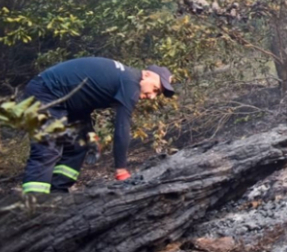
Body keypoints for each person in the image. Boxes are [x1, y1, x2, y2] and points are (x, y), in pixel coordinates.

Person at [20, 57, 175, 194]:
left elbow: (82, 103)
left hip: (64, 100)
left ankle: (58, 192)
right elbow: (122, 126)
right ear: (146, 74)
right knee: (48, 147)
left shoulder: (122, 78)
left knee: (78, 146)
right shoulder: (130, 82)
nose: (152, 97)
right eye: (155, 88)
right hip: (45, 92)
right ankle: (35, 202)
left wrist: (90, 134)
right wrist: (121, 170)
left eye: (158, 93)